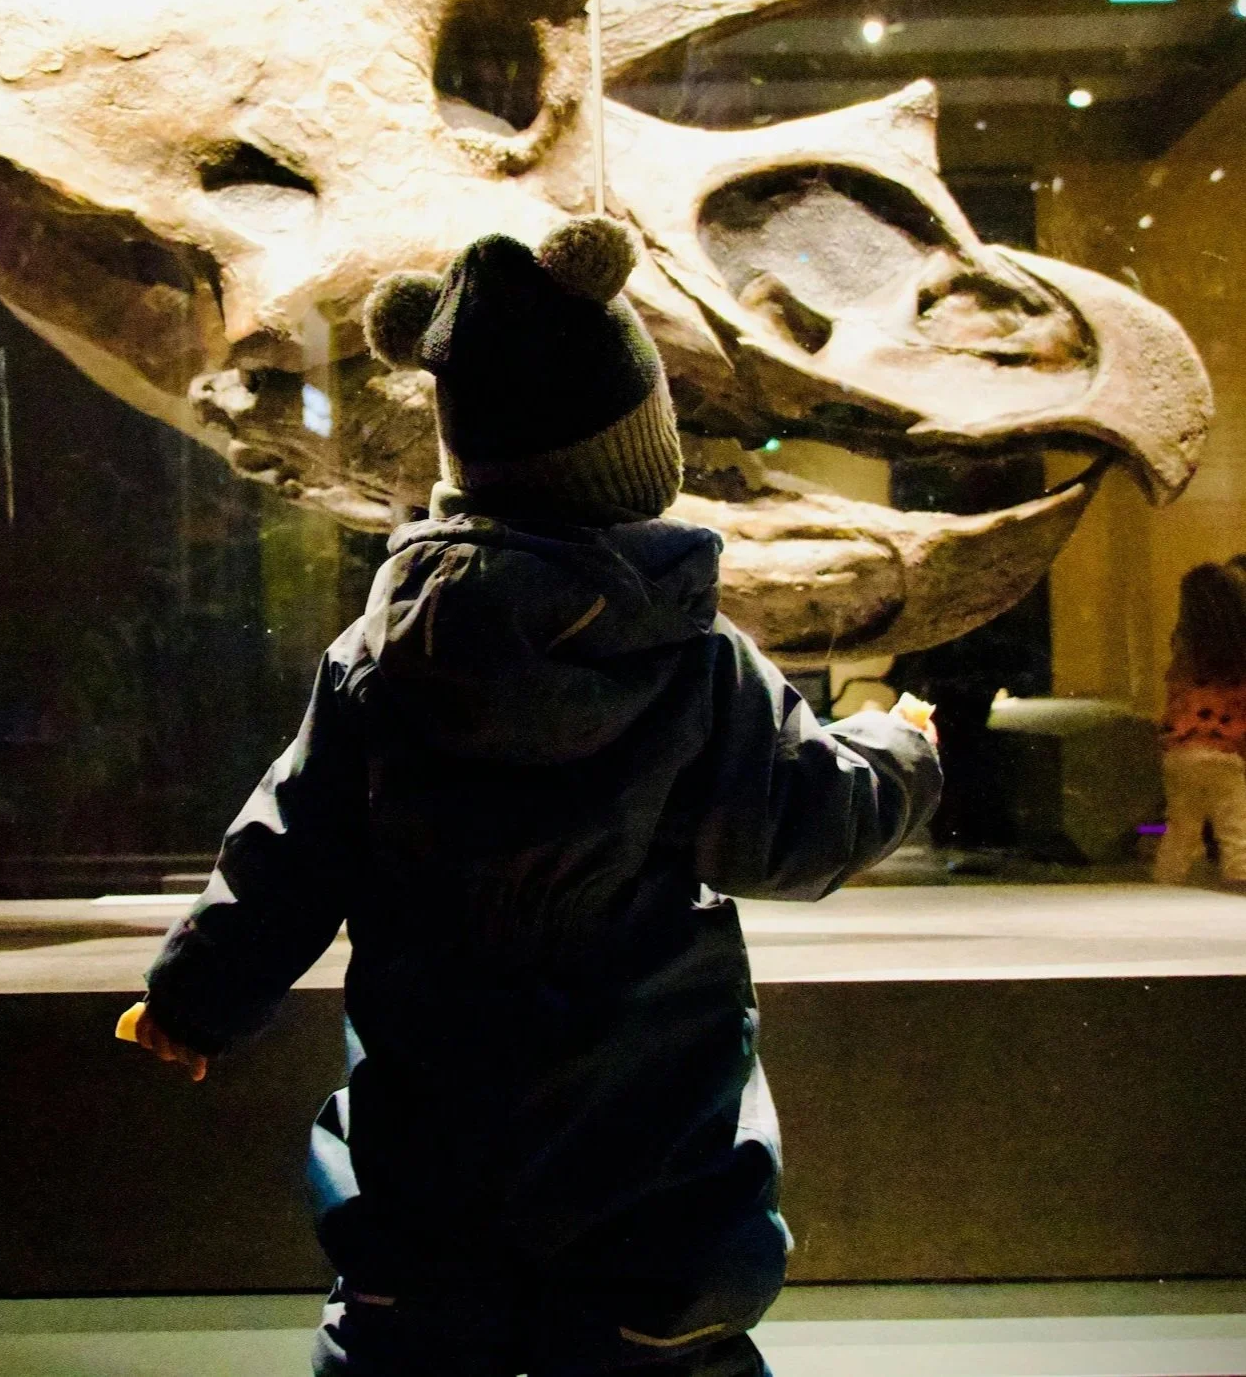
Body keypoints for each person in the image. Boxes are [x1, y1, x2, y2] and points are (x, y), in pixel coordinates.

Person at [123, 219, 941, 1377]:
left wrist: (196, 995)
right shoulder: (696, 660)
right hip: (648, 1138)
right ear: (634, 452)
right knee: (664, 1339)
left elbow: (288, 845)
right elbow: (804, 824)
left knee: (406, 1322)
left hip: (432, 1141)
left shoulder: (380, 656)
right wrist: (899, 745)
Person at [1156, 562, 1246, 885]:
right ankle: (1240, 880)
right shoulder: (1237, 652)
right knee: (1235, 824)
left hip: (1181, 751)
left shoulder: (1185, 649)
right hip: (1224, 752)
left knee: (1180, 827)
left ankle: (1167, 880)